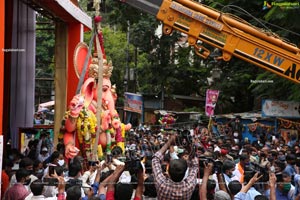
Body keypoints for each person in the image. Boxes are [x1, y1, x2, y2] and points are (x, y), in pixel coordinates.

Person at [152, 134, 199, 199]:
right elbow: (195, 165)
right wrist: (187, 145)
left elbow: (155, 159)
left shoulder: (162, 184)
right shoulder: (189, 186)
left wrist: (169, 142)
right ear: (185, 172)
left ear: (168, 171)